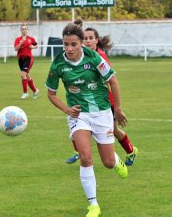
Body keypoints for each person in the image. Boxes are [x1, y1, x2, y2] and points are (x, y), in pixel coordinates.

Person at [45, 23, 128, 217]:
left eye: (73, 44)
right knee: (85, 156)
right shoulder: (58, 63)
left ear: (82, 43)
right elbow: (51, 94)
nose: (69, 49)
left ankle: (116, 161)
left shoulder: (93, 57)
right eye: (65, 44)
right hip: (79, 115)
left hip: (101, 113)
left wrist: (118, 110)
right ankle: (93, 205)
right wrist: (66, 109)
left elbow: (112, 81)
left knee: (107, 162)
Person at [66, 28, 138, 166]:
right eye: (85, 38)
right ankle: (80, 152)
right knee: (77, 123)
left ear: (96, 40)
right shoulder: (82, 56)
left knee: (113, 130)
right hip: (88, 100)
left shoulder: (99, 56)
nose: (87, 41)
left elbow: (110, 79)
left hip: (104, 102)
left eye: (90, 38)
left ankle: (131, 150)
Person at [14, 23, 39, 99]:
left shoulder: (31, 39)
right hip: (20, 59)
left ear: (27, 30)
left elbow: (35, 45)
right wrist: (21, 42)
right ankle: (35, 91)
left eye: (25, 29)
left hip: (29, 58)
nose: (24, 30)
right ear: (20, 30)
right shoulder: (18, 39)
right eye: (23, 29)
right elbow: (16, 49)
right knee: (26, 75)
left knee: (23, 74)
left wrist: (33, 47)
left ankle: (25, 93)